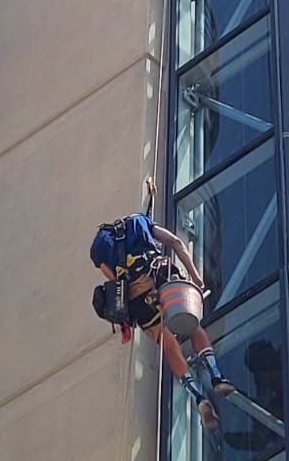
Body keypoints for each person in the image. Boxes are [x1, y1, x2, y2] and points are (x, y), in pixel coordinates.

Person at [90, 177, 234, 428]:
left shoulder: (99, 247)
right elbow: (176, 244)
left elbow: (115, 284)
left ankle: (197, 396)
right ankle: (216, 374)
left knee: (169, 343)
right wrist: (197, 279)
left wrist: (125, 317)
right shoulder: (140, 222)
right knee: (192, 325)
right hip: (161, 277)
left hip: (137, 302)